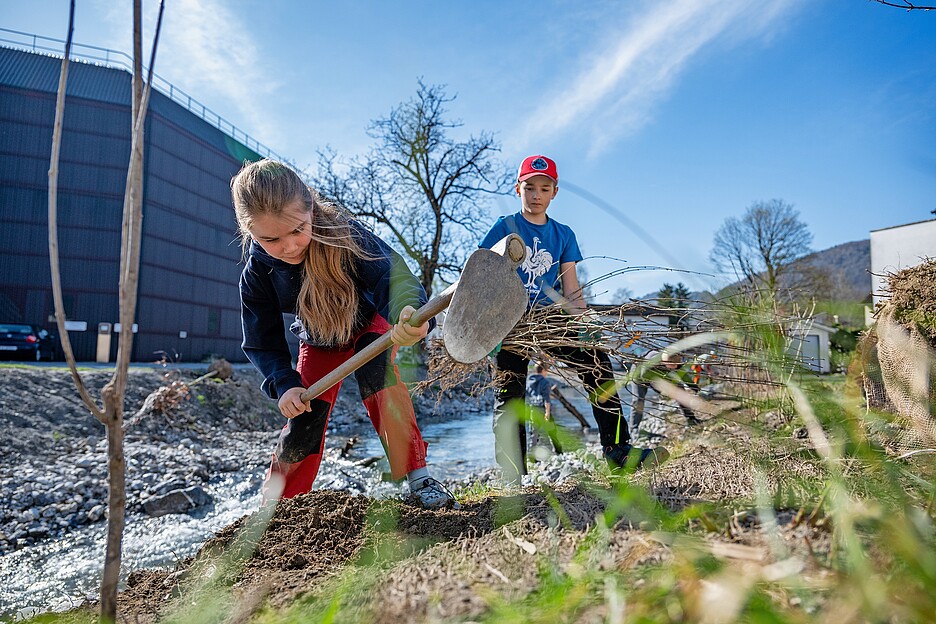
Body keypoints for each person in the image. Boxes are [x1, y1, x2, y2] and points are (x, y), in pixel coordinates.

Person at [231, 159, 457, 510]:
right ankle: (278, 508)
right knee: (304, 415)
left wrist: (408, 314)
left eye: (297, 231)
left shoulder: (344, 232)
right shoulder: (257, 273)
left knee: (377, 378)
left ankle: (420, 478)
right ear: (250, 232)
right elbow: (262, 338)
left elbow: (391, 275)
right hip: (319, 338)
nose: (289, 247)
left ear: (309, 206)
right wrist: (284, 383)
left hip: (371, 324)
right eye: (270, 239)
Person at [479, 154, 666, 483]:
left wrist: (585, 324)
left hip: (550, 319)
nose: (536, 194)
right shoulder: (504, 227)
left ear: (554, 192)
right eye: (529, 188)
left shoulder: (563, 234)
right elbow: (482, 273)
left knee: (598, 366)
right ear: (517, 188)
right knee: (510, 392)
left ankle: (618, 451)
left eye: (544, 188)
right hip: (511, 320)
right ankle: (511, 478)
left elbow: (571, 288)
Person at [630, 349, 702, 434]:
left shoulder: (674, 358)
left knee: (679, 388)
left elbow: (682, 374)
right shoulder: (651, 362)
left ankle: (691, 418)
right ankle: (633, 430)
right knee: (638, 401)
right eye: (673, 366)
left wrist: (694, 387)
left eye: (676, 366)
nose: (675, 368)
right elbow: (645, 376)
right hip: (639, 374)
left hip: (658, 374)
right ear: (666, 363)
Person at [526, 363, 562, 455]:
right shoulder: (545, 382)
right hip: (543, 408)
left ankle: (531, 455)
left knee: (534, 434)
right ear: (543, 371)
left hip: (532, 409)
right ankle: (558, 452)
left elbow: (529, 395)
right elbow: (546, 399)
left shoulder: (529, 381)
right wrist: (547, 413)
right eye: (546, 371)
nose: (547, 373)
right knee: (552, 431)